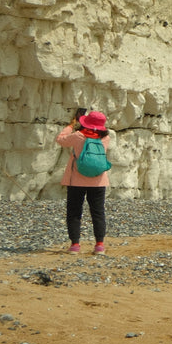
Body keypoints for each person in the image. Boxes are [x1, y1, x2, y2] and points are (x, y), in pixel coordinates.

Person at [57, 109, 113, 255]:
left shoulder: (78, 136)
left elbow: (61, 139)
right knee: (98, 212)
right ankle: (99, 245)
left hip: (76, 180)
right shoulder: (105, 139)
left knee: (74, 212)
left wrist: (71, 125)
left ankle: (75, 245)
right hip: (98, 181)